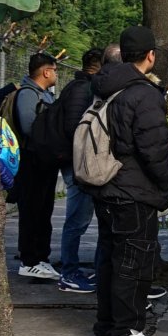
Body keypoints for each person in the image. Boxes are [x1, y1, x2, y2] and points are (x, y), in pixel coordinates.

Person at [86, 25, 168, 336]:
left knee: (110, 259)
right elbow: (154, 151)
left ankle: (106, 326)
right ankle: (125, 332)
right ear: (150, 55)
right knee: (132, 262)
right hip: (134, 191)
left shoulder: (104, 88)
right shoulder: (145, 94)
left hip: (107, 186)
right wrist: (166, 185)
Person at [56, 48, 104, 293]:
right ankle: (69, 272)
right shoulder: (81, 90)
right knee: (77, 220)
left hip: (79, 163)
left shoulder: (80, 87)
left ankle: (74, 269)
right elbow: (76, 129)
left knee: (80, 219)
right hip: (78, 165)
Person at [16, 52, 62, 281]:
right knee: (32, 211)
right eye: (55, 70)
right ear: (46, 71)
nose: (56, 74)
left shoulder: (44, 95)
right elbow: (29, 128)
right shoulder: (27, 95)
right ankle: (29, 260)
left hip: (45, 162)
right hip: (32, 162)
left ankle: (41, 257)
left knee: (44, 211)